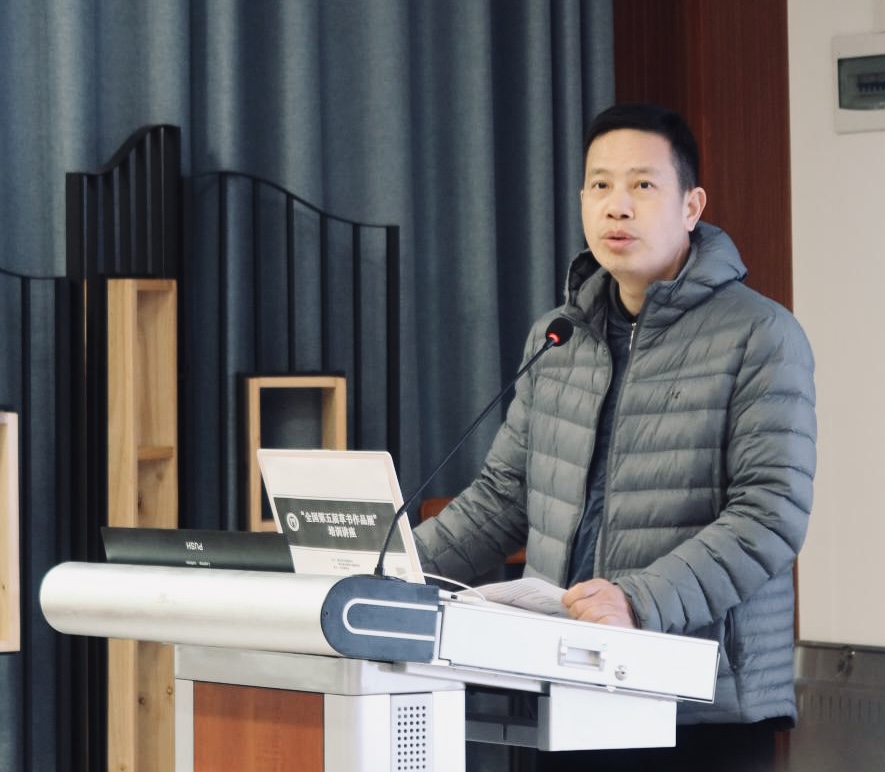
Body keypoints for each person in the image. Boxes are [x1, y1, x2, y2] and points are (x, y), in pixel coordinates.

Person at [412, 102, 816, 772]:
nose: (616, 205)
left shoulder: (760, 334)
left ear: (691, 206)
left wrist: (637, 600)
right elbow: (502, 499)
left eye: (642, 184)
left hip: (699, 701)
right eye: (599, 184)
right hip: (566, 683)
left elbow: (769, 516)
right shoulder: (559, 337)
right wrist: (392, 572)